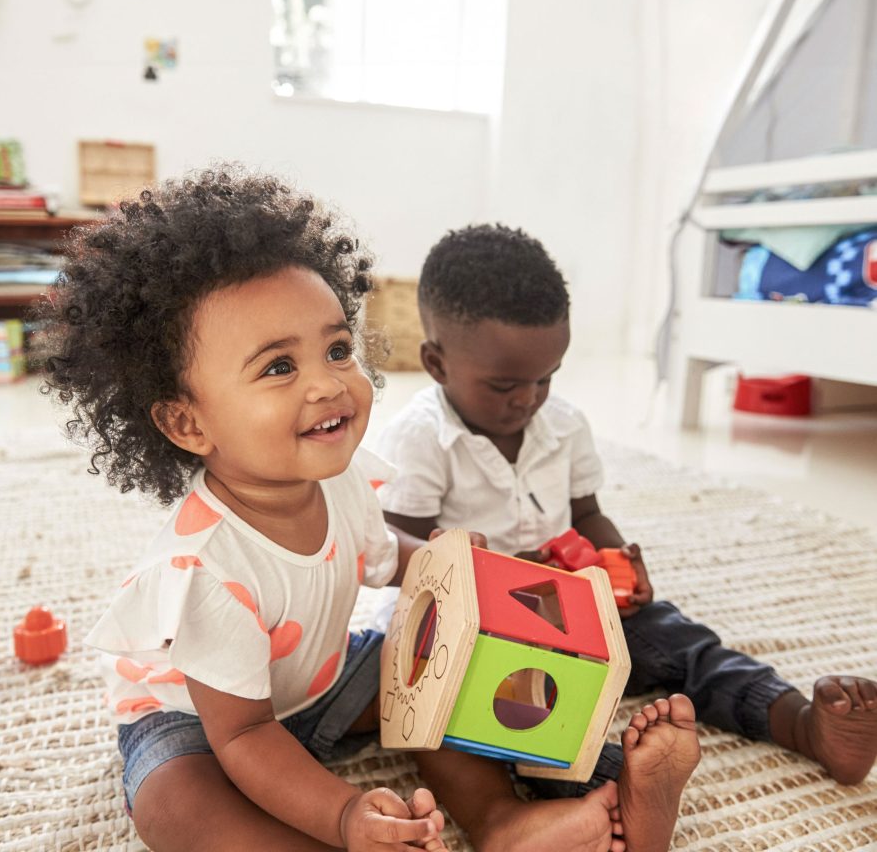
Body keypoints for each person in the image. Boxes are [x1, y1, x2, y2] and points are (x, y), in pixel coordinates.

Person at [39, 169, 689, 852]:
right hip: (204, 725)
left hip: (322, 681)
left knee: (447, 669)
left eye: (338, 349)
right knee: (178, 806)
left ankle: (516, 816)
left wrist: (459, 570)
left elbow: (390, 558)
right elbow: (246, 735)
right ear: (187, 422)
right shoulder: (205, 571)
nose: (328, 383)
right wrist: (346, 815)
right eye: (278, 367)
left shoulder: (341, 484)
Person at [374, 223, 877, 819]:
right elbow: (401, 556)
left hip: (572, 603)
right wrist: (502, 575)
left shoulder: (561, 423)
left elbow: (587, 514)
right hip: (472, 630)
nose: (528, 399)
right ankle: (621, 794)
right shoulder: (419, 439)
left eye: (546, 377)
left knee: (683, 644)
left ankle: (801, 723)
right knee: (524, 720)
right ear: (435, 362)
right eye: (505, 384)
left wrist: (619, 560)